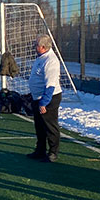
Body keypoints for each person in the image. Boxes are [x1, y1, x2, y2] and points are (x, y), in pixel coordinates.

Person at [27, 35, 63, 163]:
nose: (34, 47)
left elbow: (50, 84)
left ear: (43, 47)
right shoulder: (41, 58)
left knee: (50, 126)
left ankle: (53, 152)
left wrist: (44, 102)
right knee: (39, 125)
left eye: (36, 45)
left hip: (49, 98)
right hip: (38, 97)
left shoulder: (51, 61)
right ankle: (40, 150)